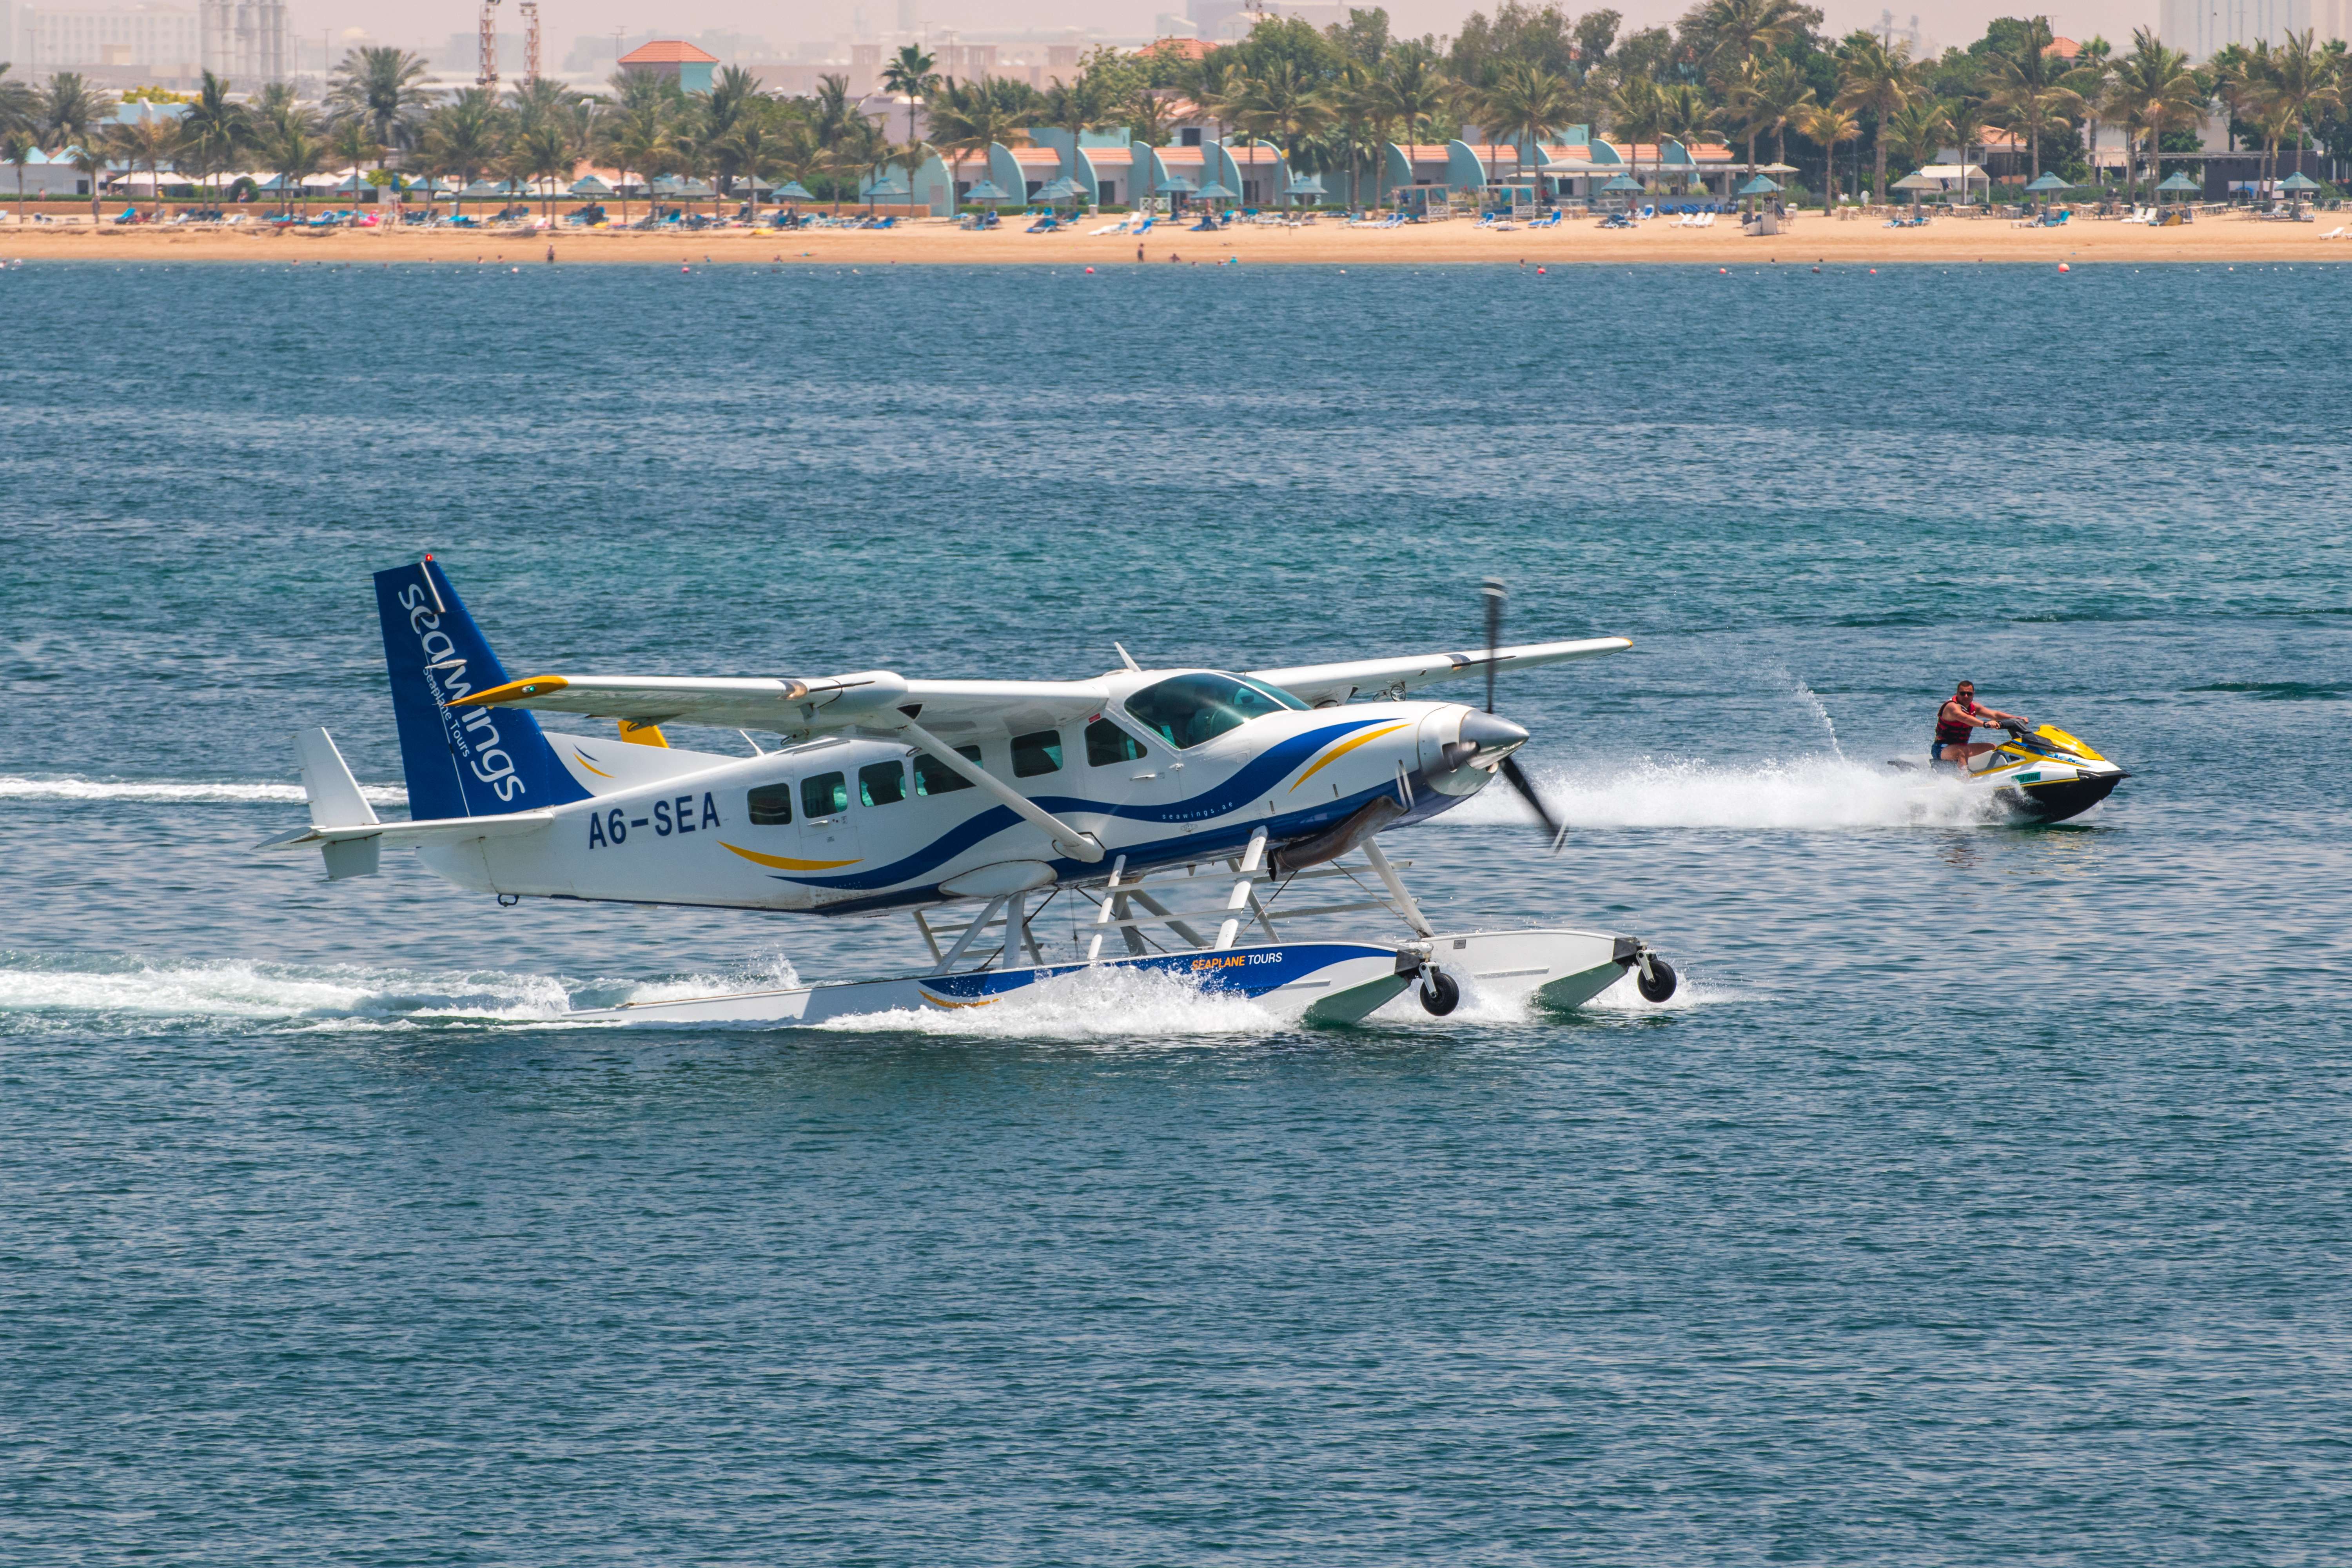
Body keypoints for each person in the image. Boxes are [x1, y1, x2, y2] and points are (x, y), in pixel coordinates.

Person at [1933, 680, 2029, 772]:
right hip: (1942, 749)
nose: (1966, 696)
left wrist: (2016, 718)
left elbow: (1994, 715)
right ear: (1957, 694)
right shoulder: (1952, 707)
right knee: (1961, 751)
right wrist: (1985, 724)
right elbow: (1966, 719)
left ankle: (1989, 775)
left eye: (1969, 694)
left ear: (1973, 695)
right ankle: (1964, 781)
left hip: (1962, 747)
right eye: (1963, 694)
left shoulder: (1974, 707)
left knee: (1992, 747)